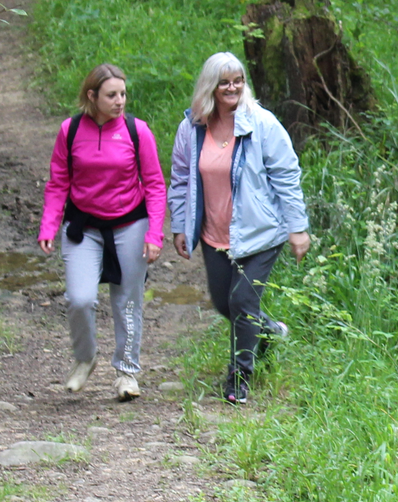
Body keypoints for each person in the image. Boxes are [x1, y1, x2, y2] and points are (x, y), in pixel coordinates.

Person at [168, 52, 311, 404]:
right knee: (225, 304)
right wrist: (180, 225)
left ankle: (239, 378)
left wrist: (297, 228)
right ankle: (270, 331)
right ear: (210, 87)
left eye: (238, 81)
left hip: (260, 232)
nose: (232, 88)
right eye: (224, 83)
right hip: (214, 234)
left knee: (242, 301)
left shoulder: (262, 124)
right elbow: (181, 179)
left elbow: (287, 176)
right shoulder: (192, 128)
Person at [39, 63, 166, 400]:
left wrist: (154, 234)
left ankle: (127, 373)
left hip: (130, 225)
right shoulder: (70, 130)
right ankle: (85, 358)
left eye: (123, 94)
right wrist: (49, 224)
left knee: (127, 302)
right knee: (79, 299)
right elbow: (58, 183)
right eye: (111, 95)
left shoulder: (137, 131)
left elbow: (155, 185)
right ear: (92, 96)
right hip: (84, 228)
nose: (120, 101)